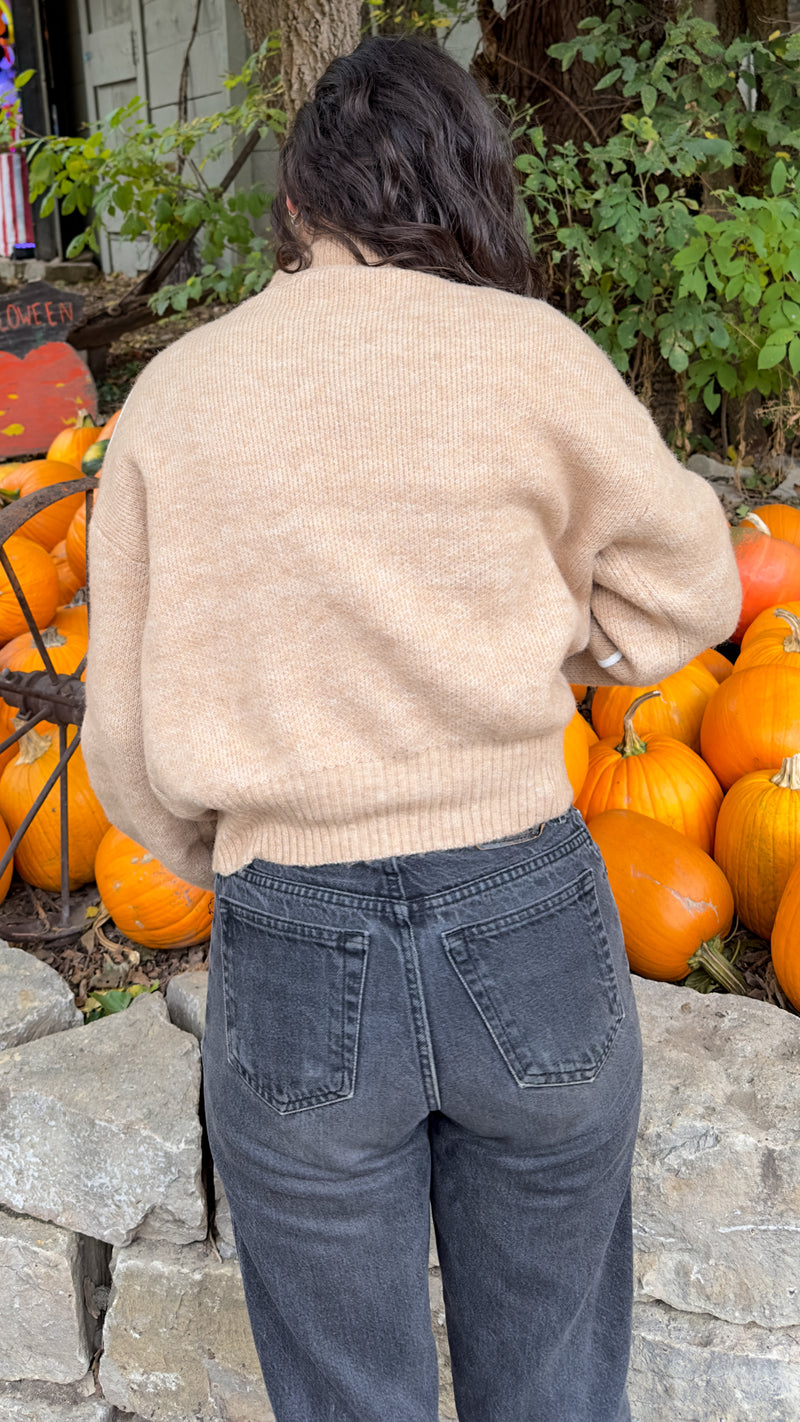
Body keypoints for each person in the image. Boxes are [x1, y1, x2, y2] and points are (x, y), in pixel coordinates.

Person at [82, 32, 742, 1422]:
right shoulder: (532, 357)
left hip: (292, 929)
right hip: (527, 911)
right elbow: (692, 586)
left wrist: (236, 846)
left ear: (297, 204)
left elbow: (125, 753)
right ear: (465, 183)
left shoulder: (177, 397)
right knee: (555, 1389)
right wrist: (546, 660)